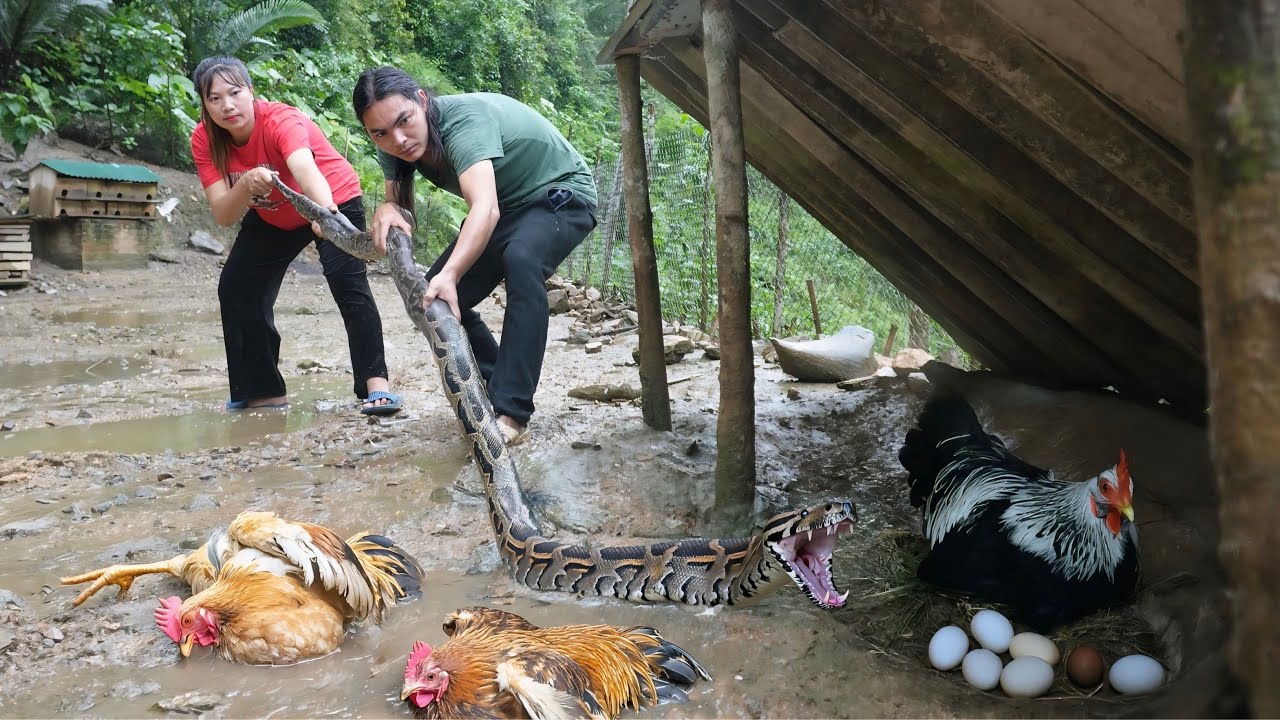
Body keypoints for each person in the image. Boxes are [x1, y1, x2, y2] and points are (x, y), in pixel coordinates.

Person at [351, 66, 597, 446]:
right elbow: (402, 209)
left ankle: (512, 411)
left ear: (421, 100)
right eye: (379, 133)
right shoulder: (396, 145)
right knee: (429, 300)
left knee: (522, 259)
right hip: (508, 208)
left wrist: (451, 273)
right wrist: (387, 207)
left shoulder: (463, 122)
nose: (398, 140)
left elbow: (485, 208)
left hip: (560, 196)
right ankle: (495, 378)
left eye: (405, 121)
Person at [190, 56, 402, 415]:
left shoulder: (280, 119)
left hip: (331, 197)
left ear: (251, 92)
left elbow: (305, 169)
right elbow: (224, 213)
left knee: (346, 281)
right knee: (237, 285)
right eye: (214, 99)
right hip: (274, 213)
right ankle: (262, 390)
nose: (227, 105)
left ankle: (376, 386)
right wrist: (244, 186)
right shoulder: (205, 141)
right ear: (205, 104)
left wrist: (324, 216)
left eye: (235, 93)